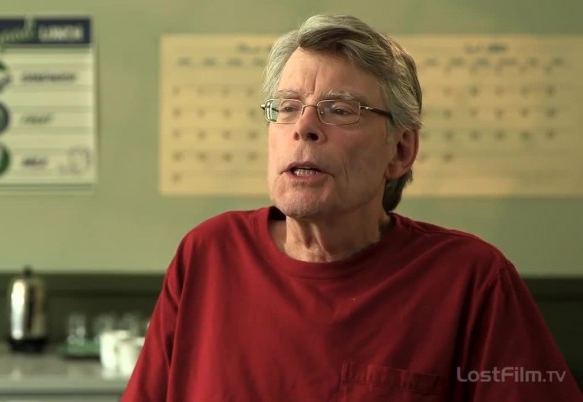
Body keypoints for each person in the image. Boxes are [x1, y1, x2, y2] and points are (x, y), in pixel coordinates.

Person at [122, 14, 582, 401]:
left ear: (400, 150)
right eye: (287, 107)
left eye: (340, 110)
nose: (304, 127)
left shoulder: (473, 281)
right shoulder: (208, 254)